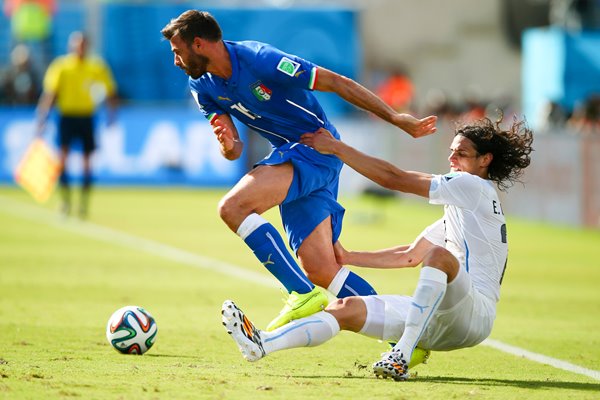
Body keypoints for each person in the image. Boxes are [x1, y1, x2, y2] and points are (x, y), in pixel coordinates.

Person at [160, 10, 437, 331]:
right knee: (322, 269)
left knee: (233, 207)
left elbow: (335, 81)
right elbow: (231, 146)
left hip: (316, 147)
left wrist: (395, 117)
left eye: (178, 52)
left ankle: (299, 293)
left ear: (198, 44)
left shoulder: (261, 60)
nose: (176, 61)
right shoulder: (201, 86)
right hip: (295, 156)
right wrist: (228, 146)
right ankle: (403, 337)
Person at [221, 115, 534, 381]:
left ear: (485, 160)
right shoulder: (462, 207)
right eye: (452, 152)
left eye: (461, 154)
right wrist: (347, 256)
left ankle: (401, 353)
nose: (452, 159)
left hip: (474, 313)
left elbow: (393, 178)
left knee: (440, 256)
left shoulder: (474, 187)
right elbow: (410, 254)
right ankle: (262, 343)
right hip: (444, 319)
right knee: (346, 309)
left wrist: (337, 148)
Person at [35, 31, 118, 218]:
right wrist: (42, 117)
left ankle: (83, 204)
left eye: (82, 45)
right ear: (71, 46)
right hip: (66, 117)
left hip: (87, 117)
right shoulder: (61, 66)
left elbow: (111, 92)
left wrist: (112, 115)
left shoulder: (96, 66)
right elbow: (51, 94)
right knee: (62, 159)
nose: (79, 48)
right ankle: (65, 200)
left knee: (87, 163)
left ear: (87, 46)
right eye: (76, 45)